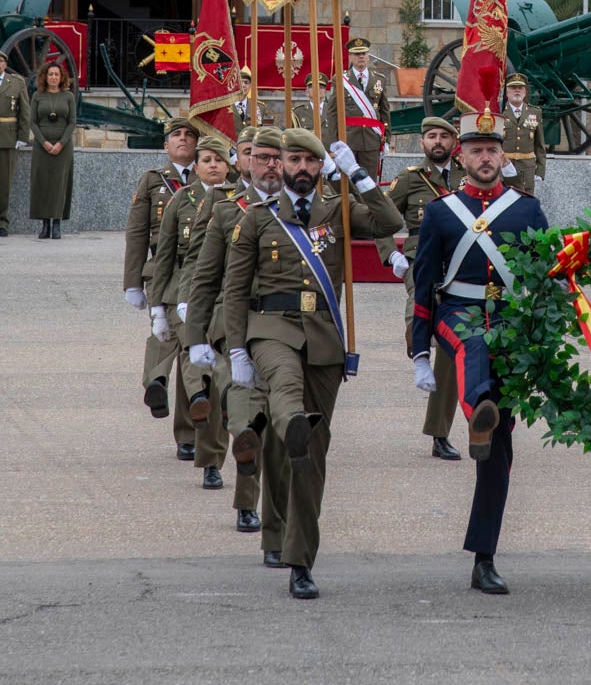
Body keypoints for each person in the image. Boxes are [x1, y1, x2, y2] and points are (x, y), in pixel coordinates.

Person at [224, 129, 401, 600]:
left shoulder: (338, 212)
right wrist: (236, 349)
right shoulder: (259, 218)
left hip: (323, 337)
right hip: (271, 329)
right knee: (284, 389)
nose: (302, 168)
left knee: (309, 458)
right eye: (294, 160)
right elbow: (236, 289)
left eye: (311, 161)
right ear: (279, 165)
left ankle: (299, 559)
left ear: (323, 167)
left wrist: (359, 174)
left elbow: (389, 221)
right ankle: (290, 421)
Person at [411, 102, 547, 595]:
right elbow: (423, 283)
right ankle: (475, 411)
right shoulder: (440, 212)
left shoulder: (528, 209)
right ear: (461, 156)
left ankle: (484, 556)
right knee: (474, 344)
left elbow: (544, 277)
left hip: (509, 320)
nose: (485, 157)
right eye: (476, 150)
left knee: (499, 454)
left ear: (502, 155)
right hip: (457, 315)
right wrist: (419, 352)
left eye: (492, 149)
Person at [186, 127, 286, 552]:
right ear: (242, 160)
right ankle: (247, 503)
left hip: (284, 324)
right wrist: (195, 335)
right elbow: (205, 274)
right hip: (236, 324)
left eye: (275, 157)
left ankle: (274, 510)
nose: (266, 164)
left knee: (273, 421)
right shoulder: (227, 208)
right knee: (247, 414)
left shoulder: (301, 207)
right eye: (255, 155)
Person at [148, 133, 235, 491]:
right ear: (195, 166)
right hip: (194, 293)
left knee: (232, 380)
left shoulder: (242, 203)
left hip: (238, 297)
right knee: (197, 359)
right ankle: (211, 457)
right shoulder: (183, 199)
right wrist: (157, 303)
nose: (213, 165)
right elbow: (170, 255)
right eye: (206, 160)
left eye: (220, 160)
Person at [386, 116, 465, 460]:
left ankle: (438, 433)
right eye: (430, 135)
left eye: (443, 136)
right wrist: (390, 252)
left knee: (449, 349)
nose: (437, 141)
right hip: (421, 256)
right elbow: (380, 217)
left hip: (462, 260)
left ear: (453, 142)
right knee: (418, 299)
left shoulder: (470, 175)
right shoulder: (409, 180)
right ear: (421, 143)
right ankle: (415, 336)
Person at [123, 116, 200, 456]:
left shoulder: (211, 178)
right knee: (164, 332)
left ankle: (186, 434)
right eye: (176, 135)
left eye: (189, 135)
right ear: (166, 145)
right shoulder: (153, 181)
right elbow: (137, 234)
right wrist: (132, 282)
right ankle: (155, 383)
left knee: (188, 346)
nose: (183, 139)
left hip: (198, 274)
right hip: (161, 272)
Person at [321, 36, 391, 180]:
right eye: (356, 54)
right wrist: (333, 143)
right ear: (350, 57)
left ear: (368, 57)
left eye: (364, 53)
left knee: (370, 183)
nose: (361, 57)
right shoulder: (340, 80)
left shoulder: (379, 80)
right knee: (348, 186)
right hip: (348, 141)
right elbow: (332, 112)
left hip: (371, 141)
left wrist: (387, 140)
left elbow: (384, 112)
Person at [29, 60, 75, 238]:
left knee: (59, 184)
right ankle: (44, 224)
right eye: (50, 74)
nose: (53, 77)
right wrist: (44, 142)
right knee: (42, 184)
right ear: (45, 77)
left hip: (63, 147)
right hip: (42, 147)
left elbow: (72, 122)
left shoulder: (68, 96)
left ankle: (57, 222)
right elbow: (32, 122)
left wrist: (60, 144)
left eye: (56, 74)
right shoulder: (38, 96)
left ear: (61, 77)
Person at [0, 50, 30, 237]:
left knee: (4, 183)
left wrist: (22, 137)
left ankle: (2, 221)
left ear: (5, 64)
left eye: (0, 61)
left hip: (7, 137)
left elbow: (24, 111)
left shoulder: (16, 83)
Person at [500, 74, 546, 194]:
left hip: (527, 168)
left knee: (525, 202)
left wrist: (540, 171)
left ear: (525, 92)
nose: (517, 90)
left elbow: (540, 145)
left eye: (520, 88)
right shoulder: (499, 113)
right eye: (513, 87)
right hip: (504, 166)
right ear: (507, 92)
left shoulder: (535, 112)